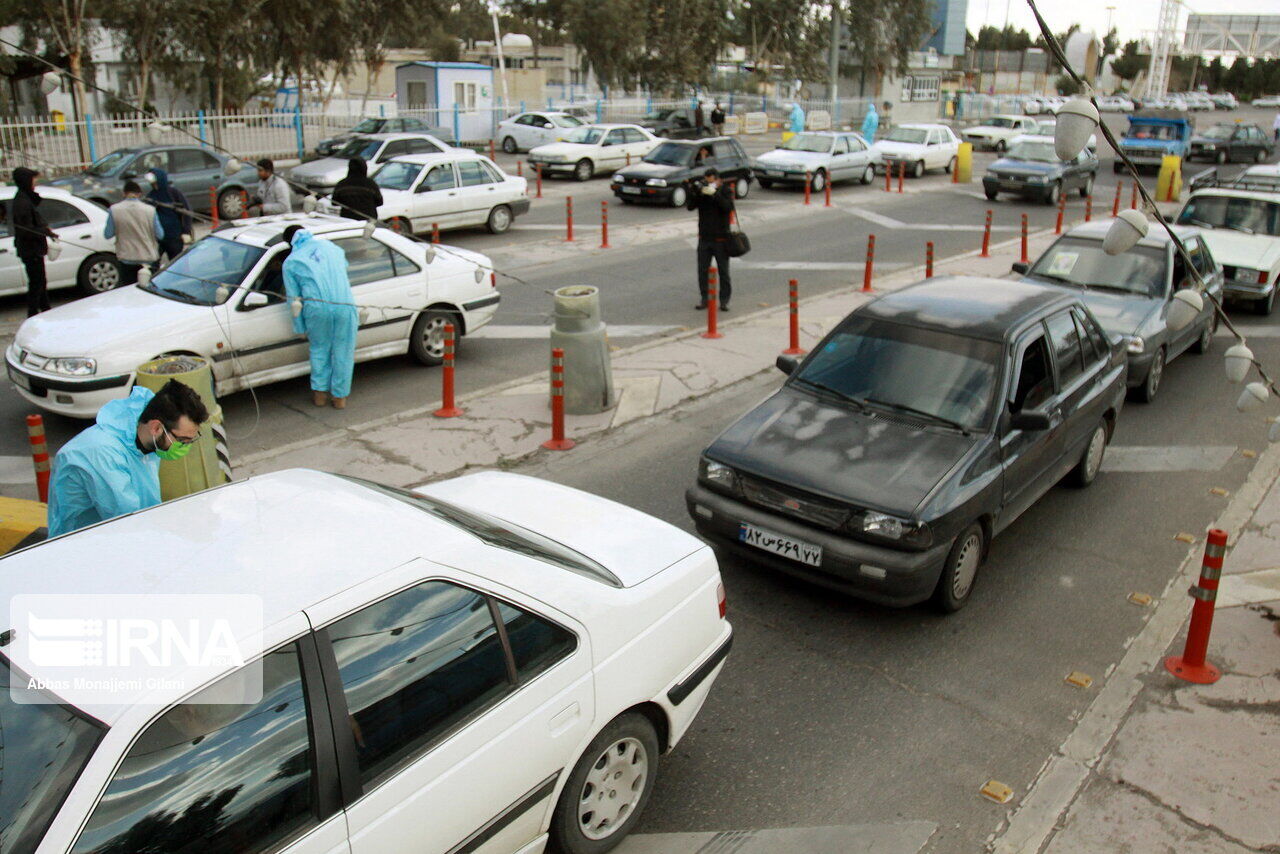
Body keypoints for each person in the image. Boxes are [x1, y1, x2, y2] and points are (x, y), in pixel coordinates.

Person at [46, 380, 210, 538]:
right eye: (182, 441)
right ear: (156, 427)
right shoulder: (103, 455)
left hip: (125, 534)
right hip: (83, 546)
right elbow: (127, 521)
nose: (185, 447)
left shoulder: (145, 439)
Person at [283, 225, 358, 409]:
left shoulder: (291, 262)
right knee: (344, 350)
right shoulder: (333, 248)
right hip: (344, 304)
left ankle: (320, 395)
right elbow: (342, 269)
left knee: (319, 349)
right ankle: (340, 398)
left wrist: (299, 328)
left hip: (316, 308)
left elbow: (294, 300)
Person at [9, 167, 58, 317]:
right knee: (36, 283)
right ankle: (33, 312)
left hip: (34, 248)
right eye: (32, 179)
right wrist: (45, 232)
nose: (35, 182)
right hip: (31, 249)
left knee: (40, 281)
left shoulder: (25, 198)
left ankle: (45, 309)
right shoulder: (21, 202)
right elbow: (27, 230)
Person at [685, 167, 734, 313]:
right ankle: (704, 298)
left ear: (718, 179)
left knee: (723, 272)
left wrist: (715, 194)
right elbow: (690, 206)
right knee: (702, 270)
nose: (708, 183)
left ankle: (724, 301)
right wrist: (695, 192)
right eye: (706, 180)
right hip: (704, 238)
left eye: (711, 180)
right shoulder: (702, 192)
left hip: (721, 239)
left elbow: (727, 207)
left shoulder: (725, 190)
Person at [105, 180, 162, 285]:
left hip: (126, 258)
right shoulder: (150, 210)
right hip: (148, 258)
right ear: (139, 194)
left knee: (129, 291)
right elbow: (160, 235)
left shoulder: (114, 210)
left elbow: (108, 234)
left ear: (124, 193)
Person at [145, 168, 193, 263]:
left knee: (177, 263)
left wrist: (186, 231)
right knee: (153, 263)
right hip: (158, 239)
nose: (154, 185)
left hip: (174, 236)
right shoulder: (151, 196)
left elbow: (187, 212)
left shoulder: (173, 193)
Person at [329, 157, 383, 222]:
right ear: (364, 168)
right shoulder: (370, 184)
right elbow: (380, 202)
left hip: (348, 220)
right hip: (368, 220)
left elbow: (334, 202)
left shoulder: (342, 184)